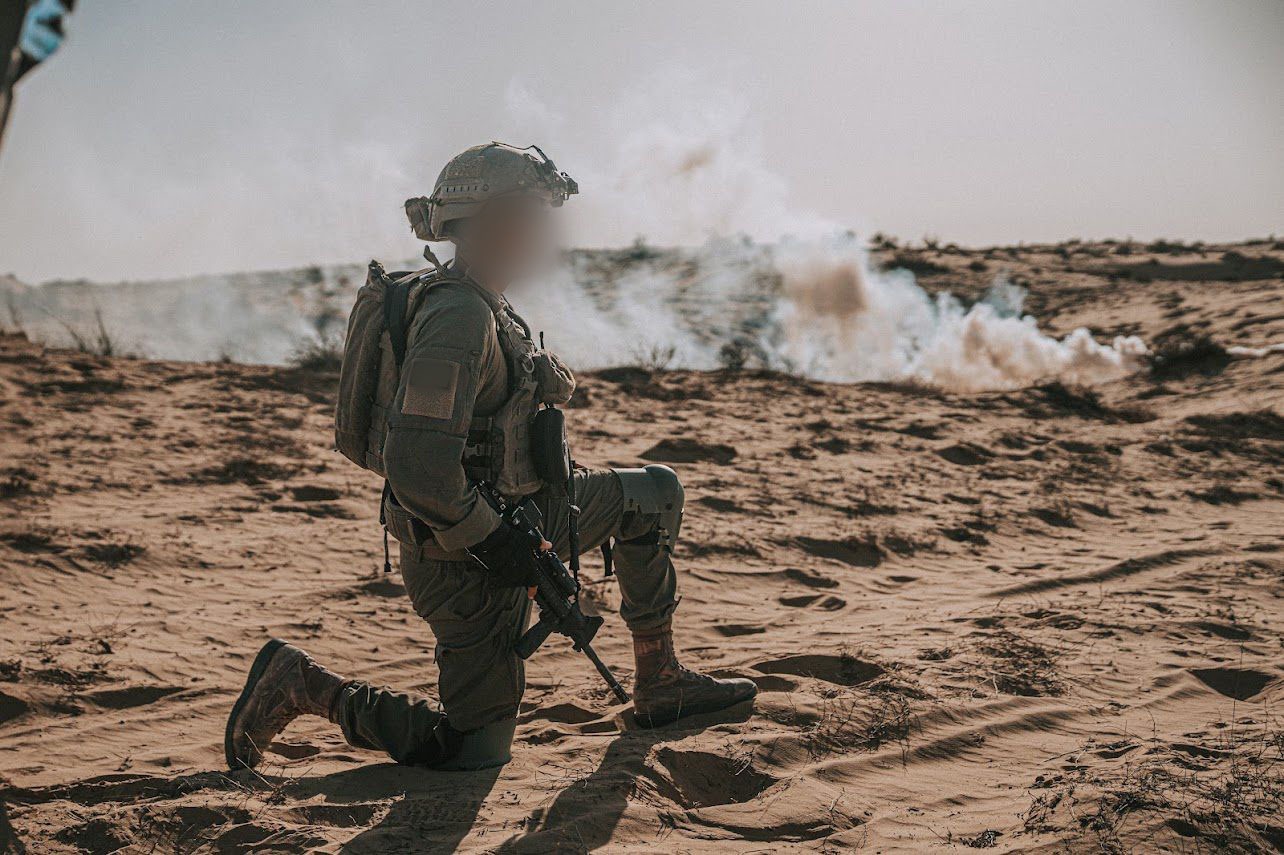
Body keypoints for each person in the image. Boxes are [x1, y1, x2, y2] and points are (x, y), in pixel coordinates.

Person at [224, 142, 756, 772]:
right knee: (473, 750)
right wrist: (500, 544)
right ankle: (304, 685)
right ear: (485, 221)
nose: (541, 230)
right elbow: (420, 468)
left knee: (651, 495)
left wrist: (517, 533)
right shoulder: (457, 316)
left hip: (523, 515)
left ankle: (660, 684)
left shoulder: (485, 301)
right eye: (528, 212)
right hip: (462, 555)